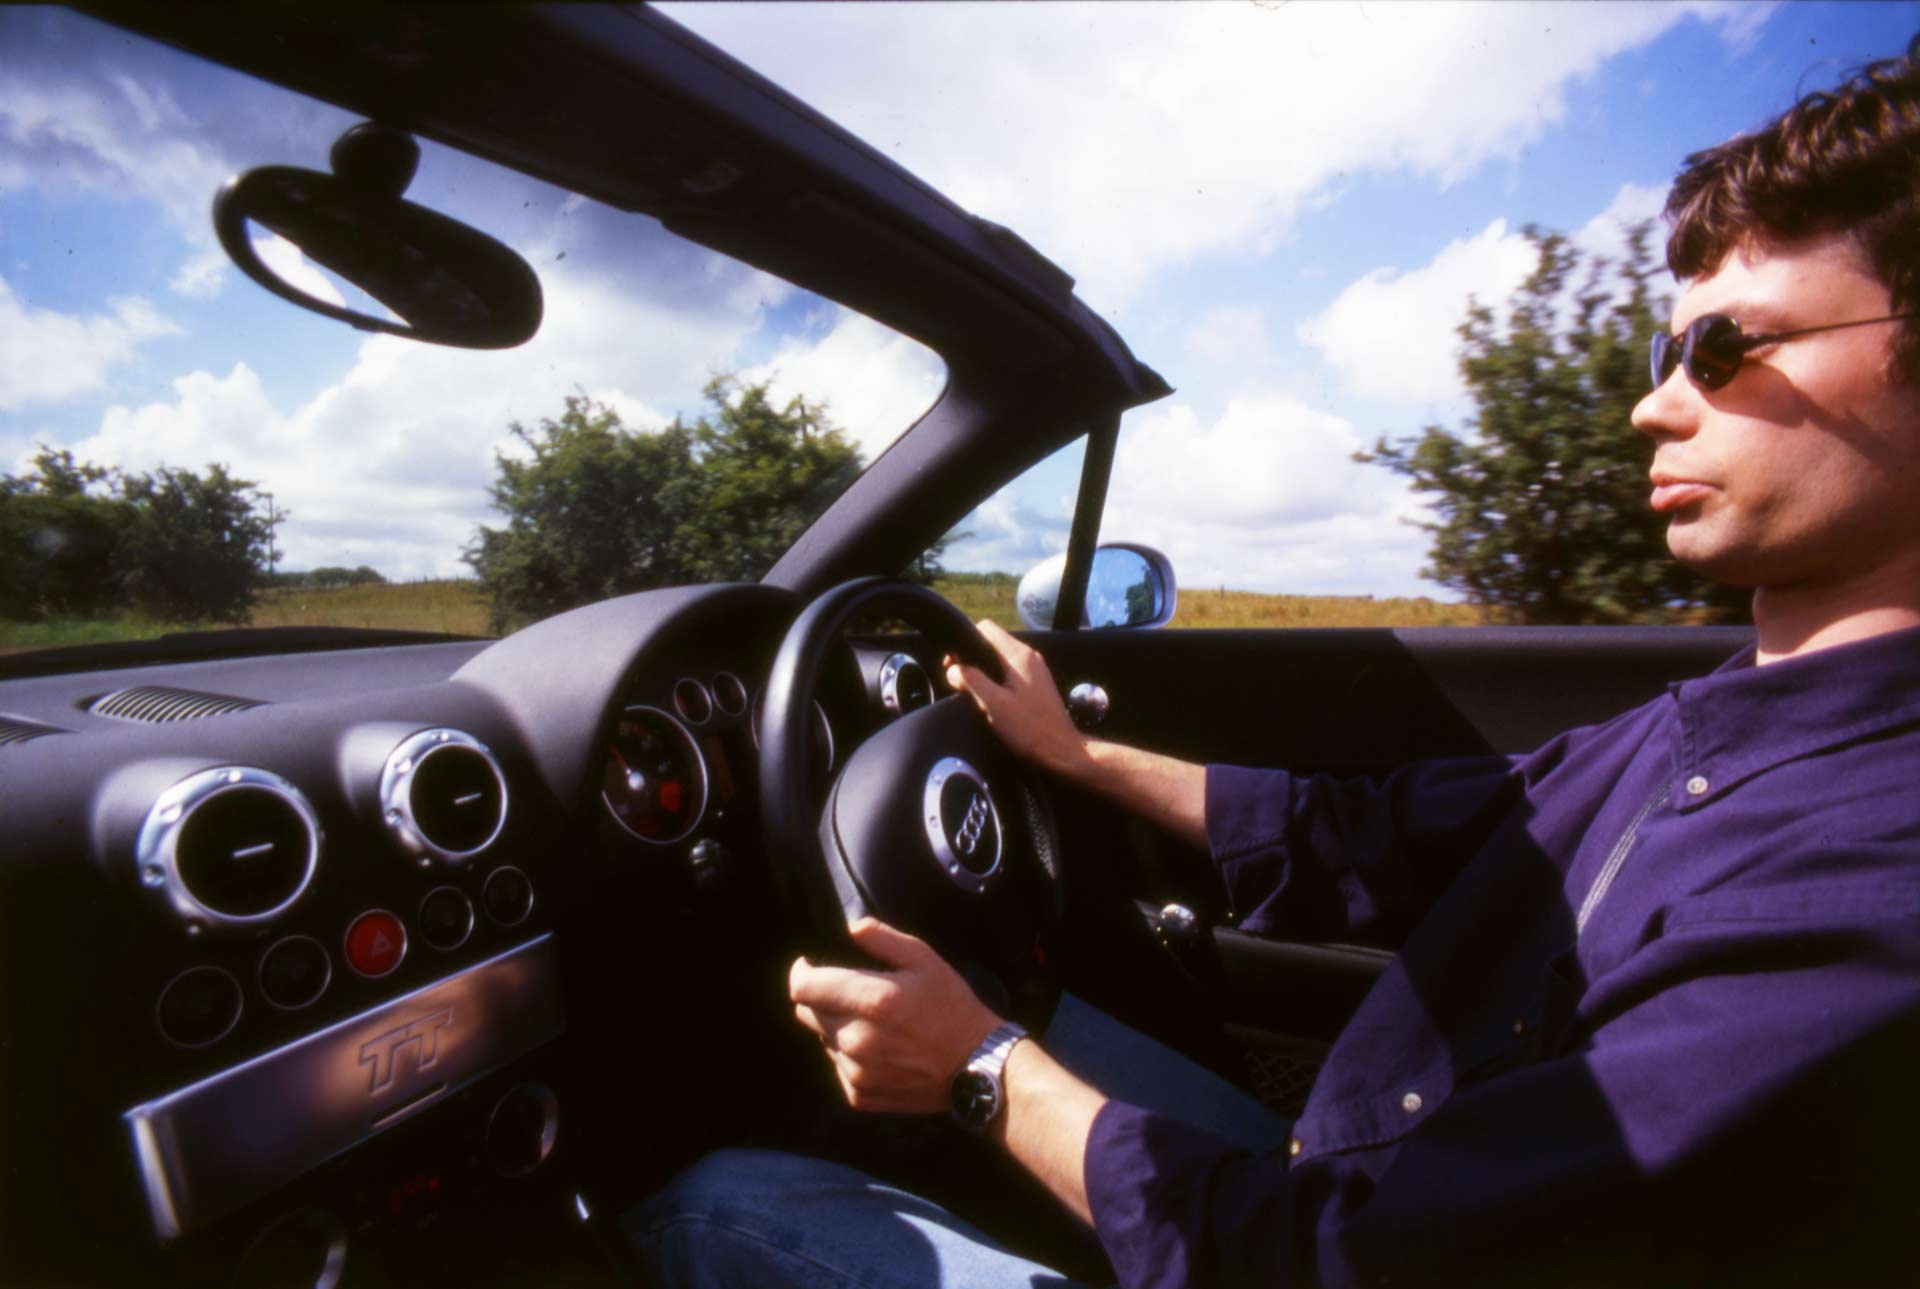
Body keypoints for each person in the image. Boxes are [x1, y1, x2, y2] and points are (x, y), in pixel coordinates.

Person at [627, 39, 1920, 1289]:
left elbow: (1336, 1256)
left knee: (713, 1202)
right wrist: (1075, 758)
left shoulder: (1868, 886)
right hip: (1346, 1177)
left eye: (1725, 349)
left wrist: (979, 1068)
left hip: (1326, 1236)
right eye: (1661, 353)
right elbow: (1367, 835)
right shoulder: (1711, 725)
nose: (1654, 403)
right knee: (1039, 1030)